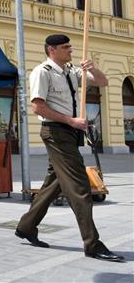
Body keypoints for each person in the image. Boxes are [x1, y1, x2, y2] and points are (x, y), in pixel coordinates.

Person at [16, 34, 123, 262]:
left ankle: (26, 226)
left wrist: (92, 69)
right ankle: (92, 244)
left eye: (70, 47)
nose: (71, 50)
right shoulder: (42, 72)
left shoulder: (72, 71)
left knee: (54, 184)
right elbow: (38, 108)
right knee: (79, 186)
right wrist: (72, 121)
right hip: (56, 132)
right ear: (52, 50)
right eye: (66, 47)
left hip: (70, 133)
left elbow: (103, 82)